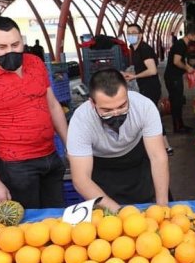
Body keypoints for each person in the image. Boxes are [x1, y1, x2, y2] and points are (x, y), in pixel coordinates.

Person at [0, 16, 67, 208]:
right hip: (16, 167)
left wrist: (70, 144)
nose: (10, 51)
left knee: (57, 221)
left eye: (15, 44)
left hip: (51, 157)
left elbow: (52, 106)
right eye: (2, 47)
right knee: (27, 229)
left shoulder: (35, 63)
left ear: (22, 41)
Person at [66, 69, 170, 211]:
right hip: (102, 169)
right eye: (107, 110)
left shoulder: (144, 107)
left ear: (127, 93)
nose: (116, 113)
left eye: (122, 106)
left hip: (138, 164)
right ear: (92, 103)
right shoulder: (81, 120)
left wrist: (162, 206)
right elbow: (81, 179)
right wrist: (120, 213)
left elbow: (158, 157)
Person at [123, 23, 173, 155]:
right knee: (150, 116)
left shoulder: (144, 49)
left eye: (134, 32)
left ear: (140, 35)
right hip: (145, 86)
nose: (131, 35)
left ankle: (165, 147)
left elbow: (152, 70)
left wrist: (134, 76)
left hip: (151, 87)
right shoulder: (135, 49)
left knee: (151, 116)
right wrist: (132, 75)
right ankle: (164, 146)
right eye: (129, 33)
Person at [164, 25, 195, 133]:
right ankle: (178, 127)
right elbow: (176, 61)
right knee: (176, 102)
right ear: (189, 35)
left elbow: (181, 60)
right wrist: (186, 68)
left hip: (175, 77)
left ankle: (180, 125)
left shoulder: (182, 44)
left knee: (178, 101)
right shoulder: (180, 45)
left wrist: (187, 66)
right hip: (172, 77)